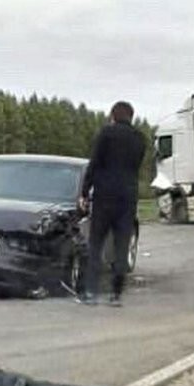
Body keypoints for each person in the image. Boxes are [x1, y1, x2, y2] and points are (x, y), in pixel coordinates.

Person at [77, 101, 146, 306]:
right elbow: (136, 166)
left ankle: (91, 292)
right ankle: (116, 294)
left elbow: (94, 163)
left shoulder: (106, 134)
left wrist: (84, 192)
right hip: (128, 197)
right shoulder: (139, 139)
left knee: (96, 244)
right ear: (131, 117)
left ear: (113, 116)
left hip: (104, 196)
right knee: (121, 245)